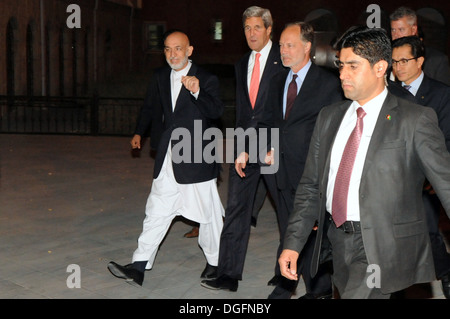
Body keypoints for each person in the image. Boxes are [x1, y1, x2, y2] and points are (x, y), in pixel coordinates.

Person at [278, 26, 450, 299]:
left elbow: (446, 182)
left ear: (381, 67)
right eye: (341, 65)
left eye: (353, 66)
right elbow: (310, 186)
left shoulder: (414, 119)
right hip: (336, 240)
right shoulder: (329, 117)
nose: (342, 75)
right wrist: (292, 244)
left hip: (380, 245)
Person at [107, 30, 225, 287]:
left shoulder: (206, 78)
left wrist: (197, 92)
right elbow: (150, 107)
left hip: (196, 158)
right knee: (156, 211)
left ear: (189, 50)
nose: (172, 54)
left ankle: (216, 263)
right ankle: (139, 266)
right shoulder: (160, 76)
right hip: (167, 157)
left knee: (208, 215)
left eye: (178, 49)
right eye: (168, 49)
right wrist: (140, 131)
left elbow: (216, 112)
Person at [257, 22, 344, 299]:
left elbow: (335, 130)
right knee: (290, 231)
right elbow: (270, 121)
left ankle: (314, 291)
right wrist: (260, 148)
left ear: (307, 47)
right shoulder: (275, 80)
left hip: (311, 174)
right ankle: (296, 284)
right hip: (279, 171)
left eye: (289, 44)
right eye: (281, 45)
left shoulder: (329, 84)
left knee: (312, 233)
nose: (283, 50)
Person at [201, 6, 284, 292]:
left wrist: (276, 144)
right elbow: (243, 113)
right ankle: (228, 274)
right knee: (236, 208)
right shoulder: (241, 64)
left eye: (257, 27)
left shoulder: (283, 60)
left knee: (286, 210)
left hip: (274, 146)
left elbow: (287, 109)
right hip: (245, 149)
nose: (251, 33)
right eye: (247, 28)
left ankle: (286, 274)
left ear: (269, 29)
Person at [391, 35, 450, 298]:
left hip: (427, 180)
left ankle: (445, 272)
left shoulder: (441, 93)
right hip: (395, 178)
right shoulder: (387, 93)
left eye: (404, 60)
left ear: (421, 61)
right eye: (394, 62)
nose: (398, 67)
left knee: (427, 232)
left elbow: (446, 139)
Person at [390, 6, 450, 86]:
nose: (396, 35)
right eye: (393, 30)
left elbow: (444, 94)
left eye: (401, 30)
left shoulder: (437, 60)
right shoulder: (386, 57)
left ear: (414, 30)